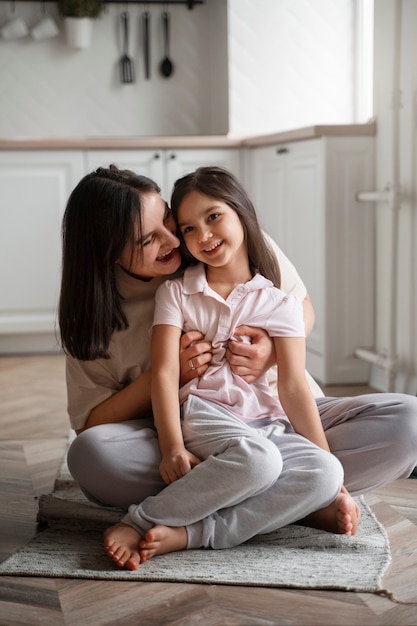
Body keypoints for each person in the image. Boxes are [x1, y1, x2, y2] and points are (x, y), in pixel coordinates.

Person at [59, 165, 417, 571]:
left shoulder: (222, 238)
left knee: (408, 423)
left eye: (167, 219)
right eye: (147, 238)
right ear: (109, 253)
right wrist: (173, 375)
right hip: (189, 428)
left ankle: (270, 496)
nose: (177, 238)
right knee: (92, 456)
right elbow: (91, 423)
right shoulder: (112, 309)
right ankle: (288, 502)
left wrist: (272, 352)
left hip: (278, 415)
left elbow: (300, 311)